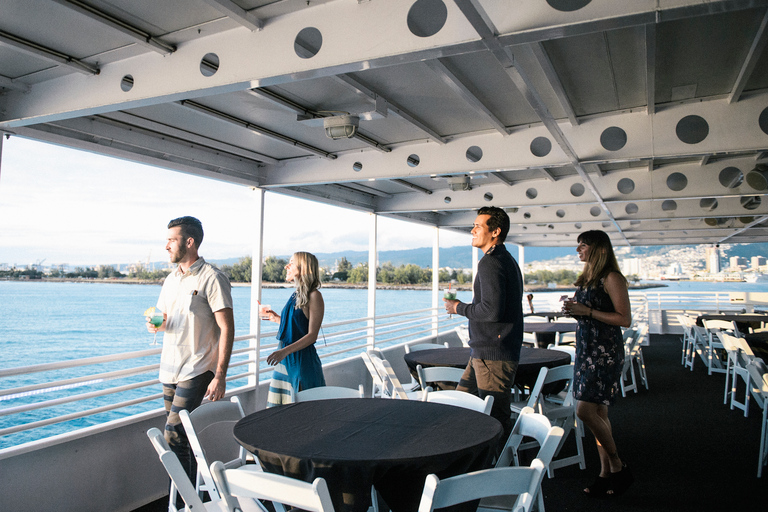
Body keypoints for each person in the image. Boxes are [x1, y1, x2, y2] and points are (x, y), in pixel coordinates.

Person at [146, 216, 235, 484]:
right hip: (170, 368)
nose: (167, 246)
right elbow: (165, 318)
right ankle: (199, 494)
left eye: (171, 240)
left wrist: (220, 375)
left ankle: (189, 498)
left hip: (198, 367)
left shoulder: (213, 278)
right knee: (181, 437)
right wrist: (156, 324)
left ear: (189, 241)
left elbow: (227, 328)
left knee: (173, 432)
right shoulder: (171, 280)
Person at [444, 206, 524, 443]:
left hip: (493, 356)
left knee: (496, 419)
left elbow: (491, 311)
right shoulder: (506, 260)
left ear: (495, 232)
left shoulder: (490, 263)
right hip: (485, 352)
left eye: (478, 226)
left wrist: (458, 308)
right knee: (461, 406)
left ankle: (502, 471)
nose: (472, 230)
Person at [562, 230, 633, 498]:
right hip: (586, 350)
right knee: (599, 415)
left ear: (598, 249)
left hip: (604, 353)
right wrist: (575, 309)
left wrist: (587, 311)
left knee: (584, 412)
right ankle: (606, 474)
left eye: (583, 245)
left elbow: (624, 319)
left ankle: (618, 464)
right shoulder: (588, 279)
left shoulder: (611, 278)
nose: (578, 250)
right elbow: (589, 313)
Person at [263, 251, 326, 406]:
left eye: (291, 263)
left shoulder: (314, 296)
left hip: (301, 363)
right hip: (284, 363)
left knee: (303, 413)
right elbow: (297, 327)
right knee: (280, 414)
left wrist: (283, 351)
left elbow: (312, 336)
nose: (286, 266)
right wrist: (276, 319)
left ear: (302, 268)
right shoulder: (296, 295)